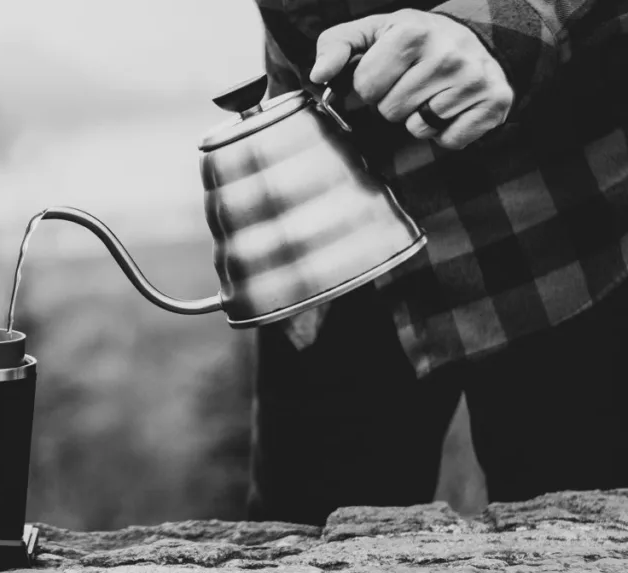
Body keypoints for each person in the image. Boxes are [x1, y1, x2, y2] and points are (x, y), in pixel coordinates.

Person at [248, 0, 628, 526]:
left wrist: (505, 22)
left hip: (565, 227)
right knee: (304, 532)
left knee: (579, 525)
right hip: (330, 250)